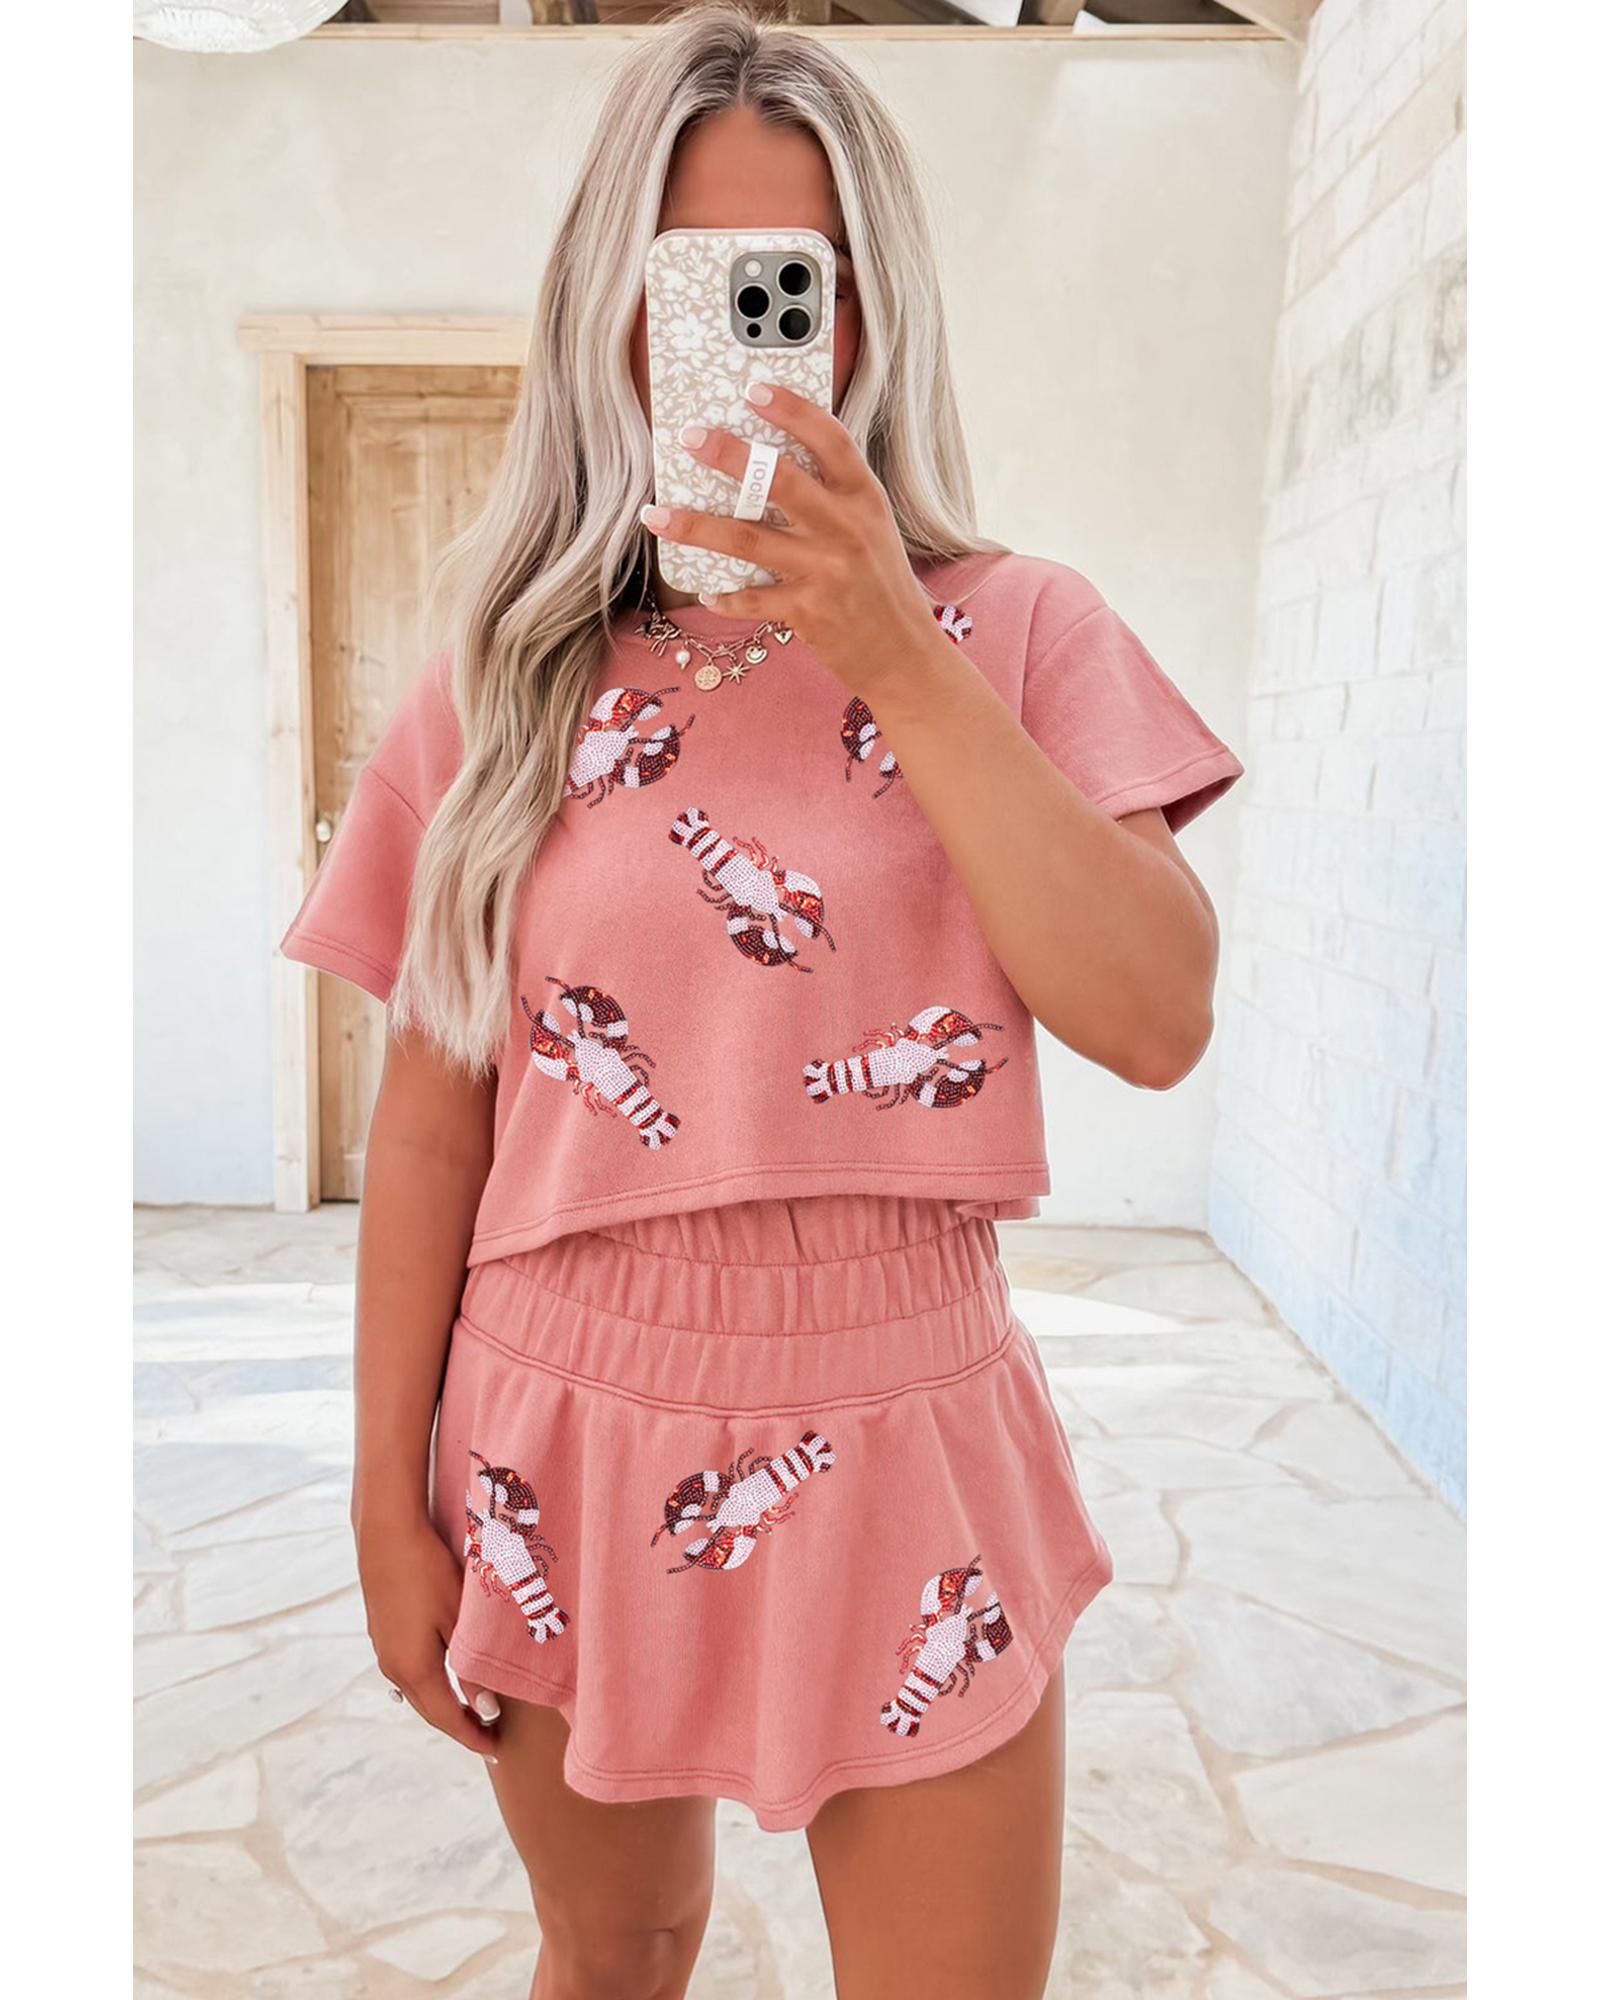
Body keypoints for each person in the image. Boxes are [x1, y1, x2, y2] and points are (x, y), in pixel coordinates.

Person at [281, 7, 1242, 1996]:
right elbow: (435, 1120)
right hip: (560, 1418)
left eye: (793, 282)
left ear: (872, 311)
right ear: (607, 311)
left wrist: (897, 653)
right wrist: (386, 1499)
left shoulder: (1017, 629)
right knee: (614, 1953)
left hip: (908, 1419)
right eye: (688, 280)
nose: (738, 335)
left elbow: (1157, 1016)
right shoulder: (504, 675)